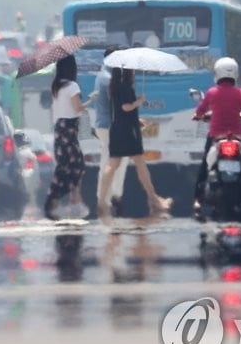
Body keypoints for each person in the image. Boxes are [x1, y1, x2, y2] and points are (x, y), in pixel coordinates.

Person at [98, 68, 172, 221]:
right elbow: (126, 107)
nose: (133, 73)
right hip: (129, 132)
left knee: (112, 165)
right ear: (126, 72)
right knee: (140, 163)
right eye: (131, 71)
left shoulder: (114, 85)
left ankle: (101, 200)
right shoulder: (125, 87)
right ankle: (154, 199)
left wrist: (135, 118)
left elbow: (120, 110)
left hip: (117, 128)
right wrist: (139, 102)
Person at [191, 58, 241, 214]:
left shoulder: (212, 93)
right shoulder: (240, 93)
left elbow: (200, 111)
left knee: (204, 169)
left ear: (217, 73)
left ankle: (198, 200)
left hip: (216, 136)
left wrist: (198, 116)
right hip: (237, 136)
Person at [44, 55, 96, 220]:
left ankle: (58, 202)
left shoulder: (56, 86)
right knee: (77, 166)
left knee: (64, 166)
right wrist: (91, 100)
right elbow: (78, 108)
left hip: (60, 129)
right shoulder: (72, 86)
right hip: (69, 128)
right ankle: (70, 201)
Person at [93, 46, 128, 214]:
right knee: (114, 163)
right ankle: (110, 198)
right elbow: (118, 105)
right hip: (111, 126)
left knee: (110, 161)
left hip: (104, 125)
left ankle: (110, 198)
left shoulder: (102, 75)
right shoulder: (109, 79)